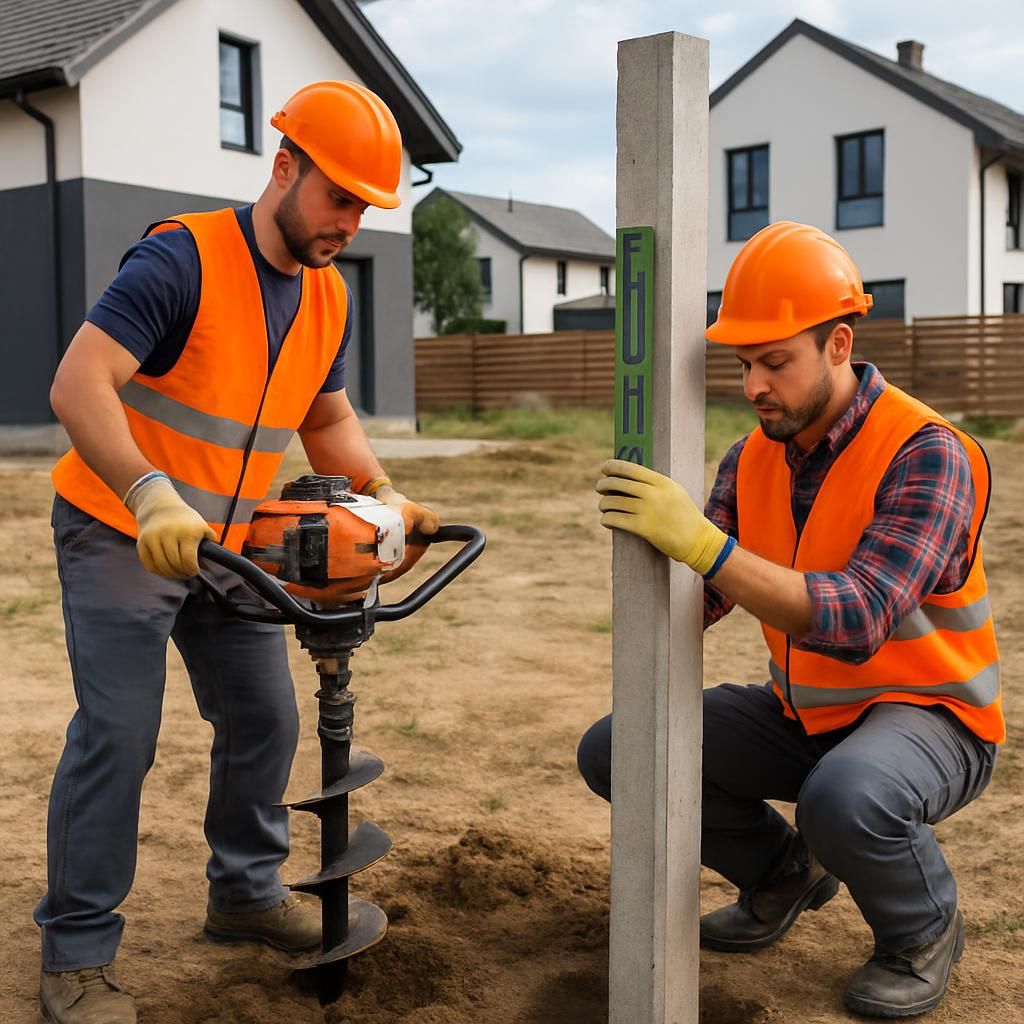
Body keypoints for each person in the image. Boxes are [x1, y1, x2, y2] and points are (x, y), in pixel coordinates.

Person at [36, 81, 439, 1024]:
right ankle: (78, 954)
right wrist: (147, 494)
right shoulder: (182, 259)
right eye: (339, 197)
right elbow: (78, 383)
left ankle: (246, 895)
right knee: (120, 735)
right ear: (285, 166)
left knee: (267, 718)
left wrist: (384, 497)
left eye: (367, 208)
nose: (350, 222)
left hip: (232, 541)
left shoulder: (328, 296)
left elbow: (325, 414)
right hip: (118, 524)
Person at [577, 221, 1003, 1019]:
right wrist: (647, 575)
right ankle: (782, 874)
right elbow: (703, 595)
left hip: (933, 715)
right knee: (619, 747)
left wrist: (703, 545)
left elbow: (860, 615)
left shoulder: (928, 451)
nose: (754, 385)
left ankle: (922, 929)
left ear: (839, 344)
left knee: (841, 797)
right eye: (744, 364)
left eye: (776, 362)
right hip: (804, 710)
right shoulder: (751, 457)